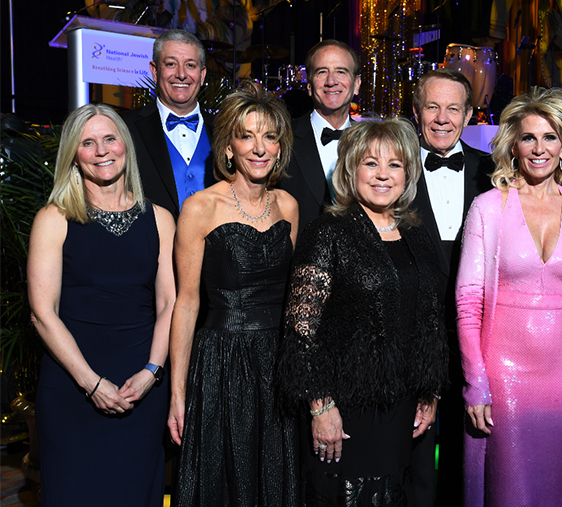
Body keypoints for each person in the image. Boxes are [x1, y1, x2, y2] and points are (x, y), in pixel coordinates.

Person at [275, 117, 449, 506]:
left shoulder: (416, 235)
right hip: (344, 407)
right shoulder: (328, 232)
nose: (383, 175)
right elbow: (301, 331)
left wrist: (429, 389)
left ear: (408, 173)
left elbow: (430, 321)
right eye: (371, 163)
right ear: (351, 170)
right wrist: (321, 406)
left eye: (394, 164)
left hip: (401, 405)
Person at [456, 86, 562, 507]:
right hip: (502, 374)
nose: (538, 148)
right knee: (508, 490)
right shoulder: (488, 207)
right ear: (513, 146)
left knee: (558, 488)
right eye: (528, 137)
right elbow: (468, 303)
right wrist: (476, 381)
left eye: (549, 137)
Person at [28, 103, 176, 506]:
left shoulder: (160, 219)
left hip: (141, 389)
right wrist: (90, 383)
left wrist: (152, 371)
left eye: (109, 138)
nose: (101, 150)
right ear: (73, 154)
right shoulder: (54, 218)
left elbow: (168, 303)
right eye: (87, 142)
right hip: (72, 390)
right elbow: (42, 313)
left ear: (125, 145)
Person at [167, 83, 300, 506]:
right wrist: (177, 390)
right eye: (247, 136)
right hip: (221, 363)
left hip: (278, 363)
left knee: (274, 479)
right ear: (228, 148)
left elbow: (297, 300)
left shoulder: (288, 206)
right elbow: (186, 303)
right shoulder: (199, 208)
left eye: (270, 136)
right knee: (224, 482)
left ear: (280, 148)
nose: (259, 148)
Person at [410, 68, 494, 506]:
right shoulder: (394, 170)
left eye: (453, 109)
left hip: (475, 331)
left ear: (468, 115)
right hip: (410, 332)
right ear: (416, 110)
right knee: (415, 447)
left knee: (471, 446)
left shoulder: (492, 172)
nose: (442, 118)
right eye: (432, 107)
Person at [122, 29, 214, 220]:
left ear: (202, 74)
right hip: (151, 247)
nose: (181, 74)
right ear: (155, 71)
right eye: (171, 64)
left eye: (190, 65)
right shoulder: (124, 128)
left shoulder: (226, 129)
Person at [280, 39, 361, 234]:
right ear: (309, 85)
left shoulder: (373, 142)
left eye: (341, 71)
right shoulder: (282, 138)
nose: (331, 81)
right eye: (322, 72)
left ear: (357, 84)